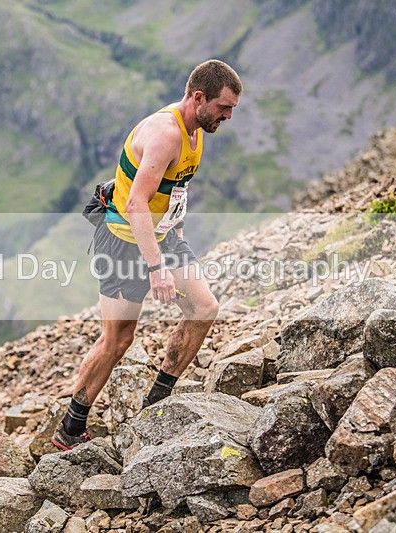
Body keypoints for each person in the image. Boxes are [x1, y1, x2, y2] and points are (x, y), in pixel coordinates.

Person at [52, 59, 242, 450]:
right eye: (224, 108)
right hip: (124, 239)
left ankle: (155, 403)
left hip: (163, 234)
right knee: (117, 341)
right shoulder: (165, 133)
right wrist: (157, 268)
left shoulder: (197, 129)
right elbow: (137, 203)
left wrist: (176, 232)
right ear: (199, 97)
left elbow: (174, 188)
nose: (227, 117)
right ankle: (70, 428)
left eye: (232, 110)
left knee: (204, 308)